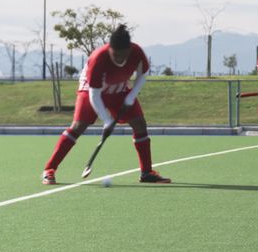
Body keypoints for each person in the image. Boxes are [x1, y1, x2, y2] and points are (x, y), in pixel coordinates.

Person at [41, 24, 171, 185]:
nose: (120, 59)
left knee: (139, 123)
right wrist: (107, 121)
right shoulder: (98, 58)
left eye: (123, 55)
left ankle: (146, 172)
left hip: (119, 87)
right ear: (110, 49)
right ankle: (49, 169)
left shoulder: (136, 52)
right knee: (78, 126)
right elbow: (94, 94)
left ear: (129, 50)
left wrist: (131, 97)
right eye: (116, 55)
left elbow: (142, 75)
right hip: (91, 88)